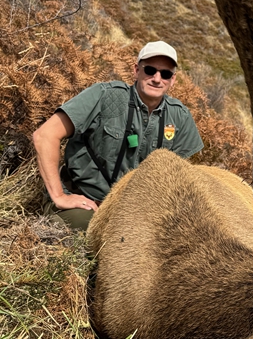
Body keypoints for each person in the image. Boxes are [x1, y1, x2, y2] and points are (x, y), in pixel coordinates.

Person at [33, 41, 203, 230]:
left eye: (165, 74)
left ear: (173, 80)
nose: (156, 78)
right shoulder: (103, 96)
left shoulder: (180, 117)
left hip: (136, 215)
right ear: (136, 70)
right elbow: (45, 136)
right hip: (88, 205)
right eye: (150, 70)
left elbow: (179, 177)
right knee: (96, 234)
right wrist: (59, 197)